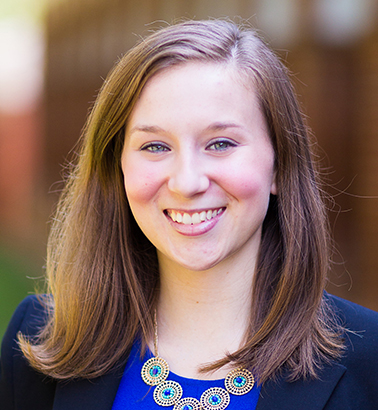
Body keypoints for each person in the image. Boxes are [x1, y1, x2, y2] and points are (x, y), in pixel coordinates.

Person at [1, 19, 378, 410]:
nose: (186, 182)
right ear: (118, 166)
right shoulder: (38, 340)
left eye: (220, 143)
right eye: (155, 147)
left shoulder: (370, 360)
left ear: (279, 165)